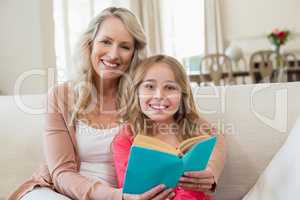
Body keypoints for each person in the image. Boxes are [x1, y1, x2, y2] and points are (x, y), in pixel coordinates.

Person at [9, 7, 174, 200]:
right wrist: (117, 197)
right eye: (106, 41)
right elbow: (62, 173)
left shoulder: (145, 96)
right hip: (60, 191)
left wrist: (209, 173)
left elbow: (212, 134)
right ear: (90, 44)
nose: (113, 54)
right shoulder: (61, 96)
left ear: (134, 54)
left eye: (125, 46)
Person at [112, 55, 226, 200]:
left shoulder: (195, 128)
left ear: (182, 95)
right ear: (137, 92)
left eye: (170, 87)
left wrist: (211, 170)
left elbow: (218, 139)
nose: (159, 95)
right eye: (149, 86)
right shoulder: (127, 136)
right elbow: (129, 188)